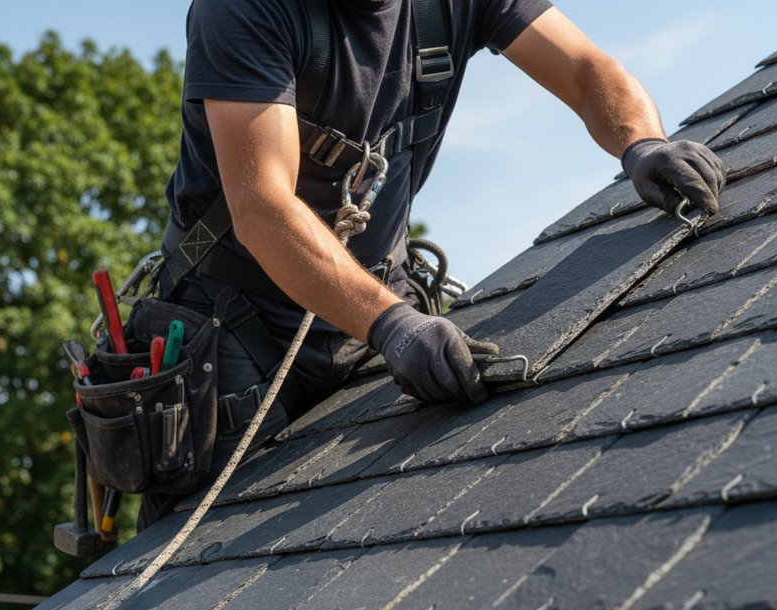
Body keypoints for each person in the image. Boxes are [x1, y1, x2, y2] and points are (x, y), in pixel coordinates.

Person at [142, 0, 726, 528]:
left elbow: (583, 67)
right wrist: (393, 324)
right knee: (210, 563)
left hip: (374, 307)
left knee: (396, 519)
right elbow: (263, 207)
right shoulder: (244, 10)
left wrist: (642, 144)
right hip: (236, 335)